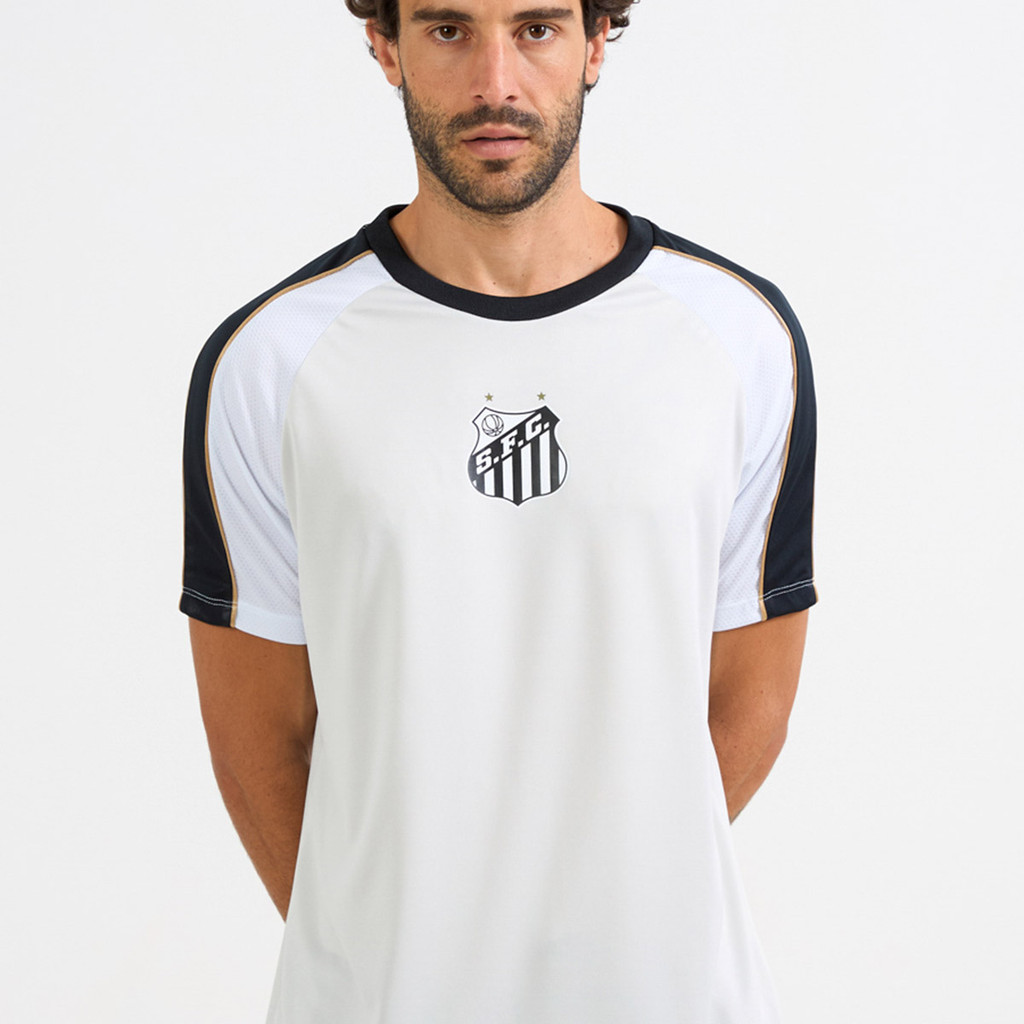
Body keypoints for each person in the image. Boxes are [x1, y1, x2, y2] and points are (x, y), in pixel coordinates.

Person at [180, 1, 817, 1020]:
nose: (495, 83)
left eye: (535, 28)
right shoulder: (271, 362)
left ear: (596, 41)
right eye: (447, 30)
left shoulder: (737, 339)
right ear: (383, 44)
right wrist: (395, 952)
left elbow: (750, 700)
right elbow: (258, 738)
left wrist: (596, 921)